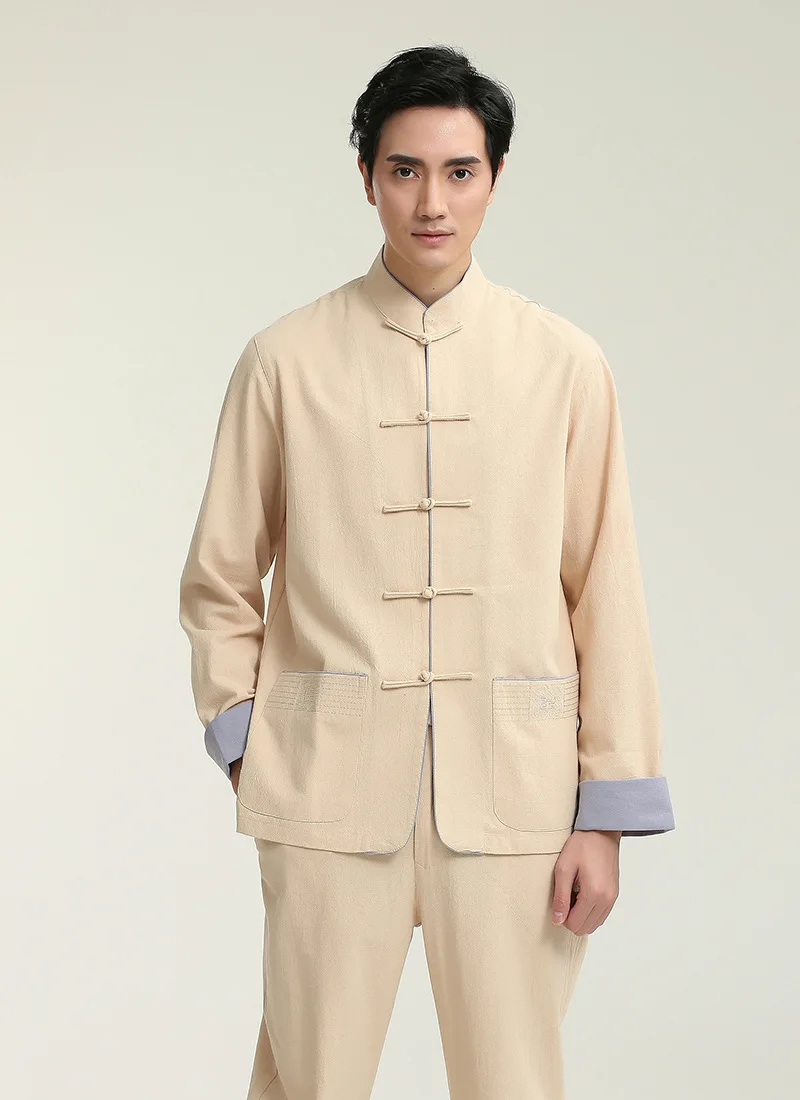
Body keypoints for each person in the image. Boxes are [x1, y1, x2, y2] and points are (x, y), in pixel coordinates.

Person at [178, 43, 675, 1100]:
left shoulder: (564, 365)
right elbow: (219, 577)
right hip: (322, 786)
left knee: (512, 1082)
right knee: (307, 1081)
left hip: (516, 797)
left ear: (494, 178)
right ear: (367, 178)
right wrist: (247, 741)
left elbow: (607, 593)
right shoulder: (284, 360)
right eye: (404, 170)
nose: (432, 202)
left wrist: (604, 811)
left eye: (459, 171)